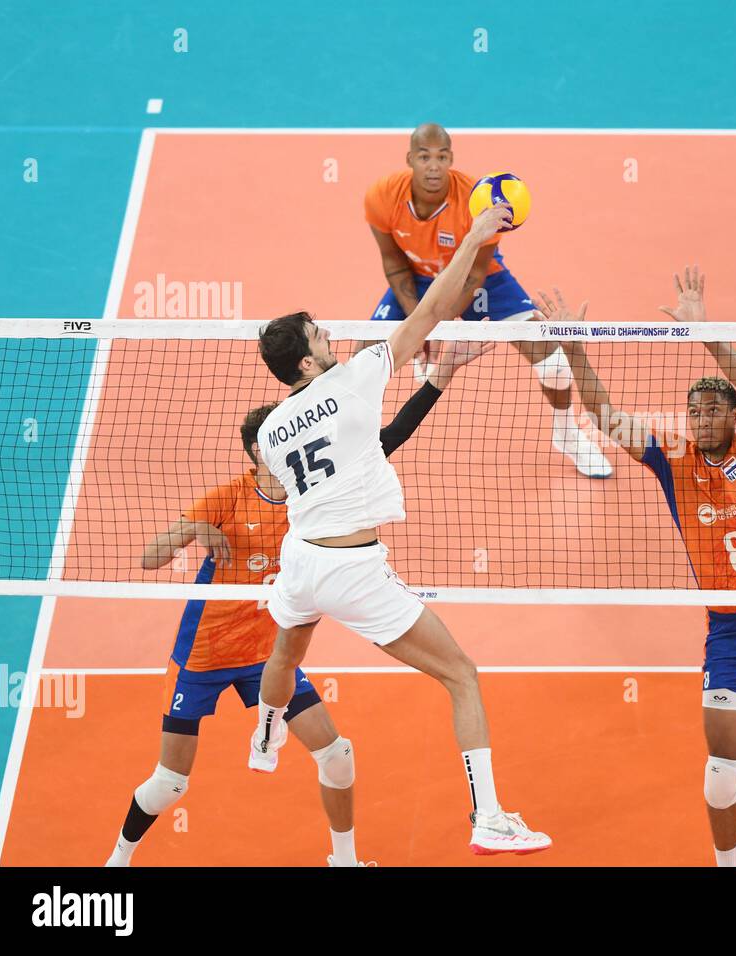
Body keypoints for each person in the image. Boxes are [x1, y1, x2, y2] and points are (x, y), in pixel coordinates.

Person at [106, 338, 490, 867]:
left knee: (338, 755)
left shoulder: (317, 497)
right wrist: (196, 529)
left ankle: (344, 860)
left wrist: (439, 376)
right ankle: (118, 860)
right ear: (262, 452)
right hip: (204, 657)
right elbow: (150, 557)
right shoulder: (227, 498)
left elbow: (391, 436)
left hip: (268, 658)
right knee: (170, 784)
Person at [252, 203, 550, 856]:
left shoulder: (272, 431)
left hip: (299, 560)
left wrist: (438, 378)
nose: (328, 336)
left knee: (285, 654)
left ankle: (267, 733)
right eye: (317, 335)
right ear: (304, 364)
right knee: (462, 676)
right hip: (353, 573)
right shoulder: (355, 378)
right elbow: (429, 313)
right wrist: (474, 238)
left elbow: (348, 457)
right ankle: (490, 818)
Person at [540, 267, 736, 867]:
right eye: (694, 411)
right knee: (720, 776)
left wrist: (706, 333)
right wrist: (574, 350)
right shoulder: (673, 459)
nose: (702, 419)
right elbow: (604, 416)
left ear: (733, 418)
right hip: (729, 630)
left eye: (713, 411)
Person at [364, 122, 612, 477]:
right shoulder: (382, 197)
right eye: (424, 157)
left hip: (481, 280)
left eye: (441, 156)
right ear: (410, 160)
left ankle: (568, 435)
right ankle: (356, 440)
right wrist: (416, 326)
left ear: (451, 158)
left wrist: (434, 328)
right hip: (418, 277)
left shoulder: (480, 199)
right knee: (365, 352)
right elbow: (395, 266)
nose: (433, 165)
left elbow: (475, 274)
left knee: (553, 361)